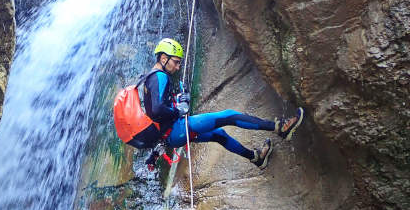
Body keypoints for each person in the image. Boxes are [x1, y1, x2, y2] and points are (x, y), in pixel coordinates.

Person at [126, 38, 303, 169]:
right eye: (176, 62)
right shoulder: (159, 76)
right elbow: (157, 110)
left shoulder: (149, 79)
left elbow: (154, 111)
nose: (178, 67)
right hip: (176, 130)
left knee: (219, 135)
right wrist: (180, 110)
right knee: (228, 116)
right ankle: (280, 128)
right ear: (163, 58)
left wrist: (178, 105)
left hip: (170, 135)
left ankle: (256, 158)